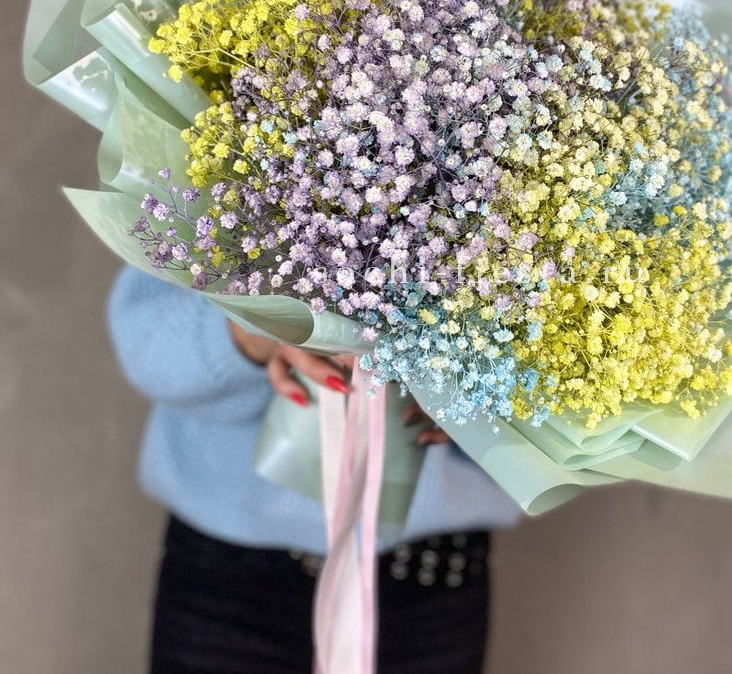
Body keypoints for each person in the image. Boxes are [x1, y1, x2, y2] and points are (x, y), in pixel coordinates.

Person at [107, 266, 523, 674]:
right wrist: (258, 329)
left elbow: (553, 385)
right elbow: (146, 345)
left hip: (430, 581)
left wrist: (479, 398)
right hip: (223, 572)